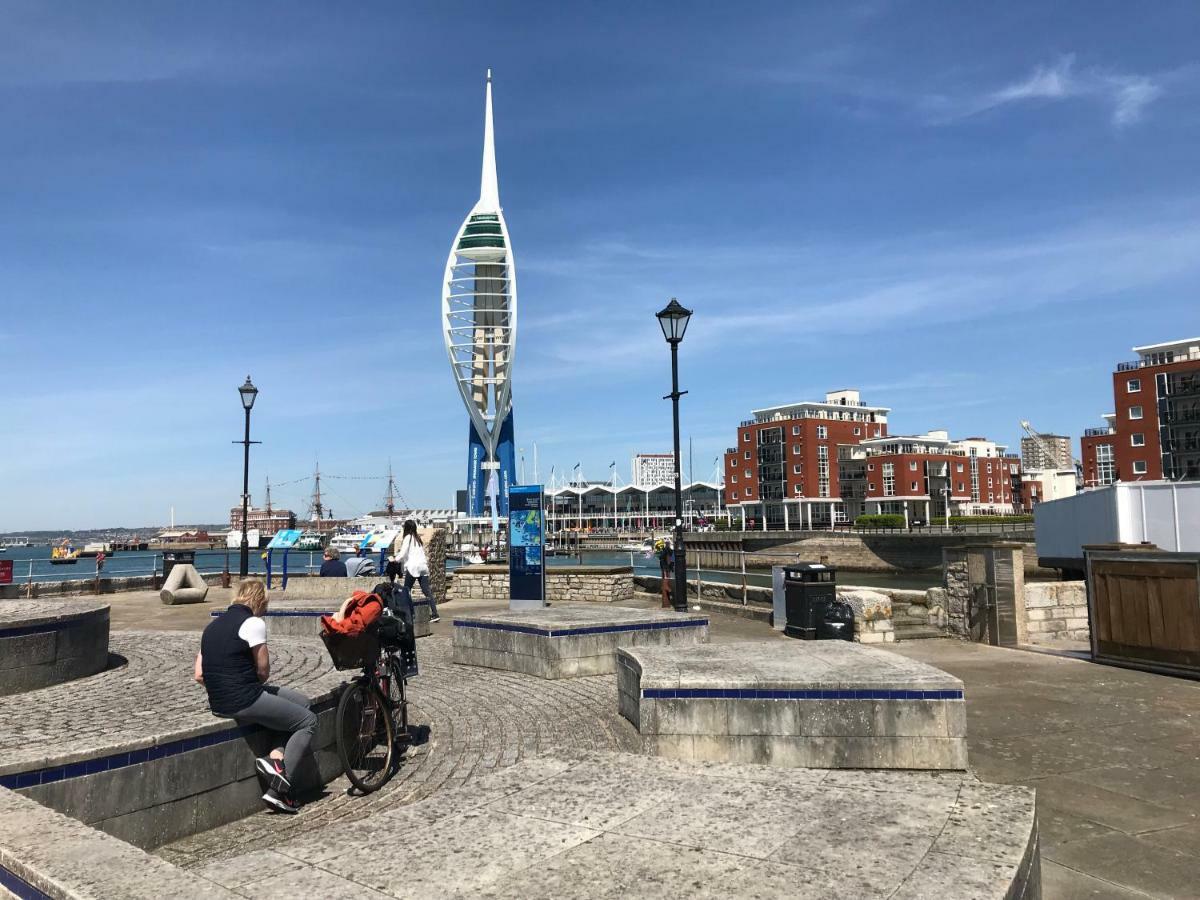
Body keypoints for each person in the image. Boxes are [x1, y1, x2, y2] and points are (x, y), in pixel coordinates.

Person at [193, 580, 315, 815]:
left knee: (301, 703)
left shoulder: (211, 627)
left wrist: (224, 683)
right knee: (308, 720)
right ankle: (280, 789)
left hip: (218, 701)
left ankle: (276, 758)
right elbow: (263, 670)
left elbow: (199, 674)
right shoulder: (253, 623)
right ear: (260, 601)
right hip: (245, 699)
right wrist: (245, 685)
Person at [396, 519, 439, 622]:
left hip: (413, 567)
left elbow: (402, 553)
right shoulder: (417, 538)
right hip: (423, 567)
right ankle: (435, 614)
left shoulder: (407, 538)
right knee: (427, 591)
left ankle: (408, 614)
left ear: (406, 528)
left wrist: (395, 559)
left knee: (406, 591)